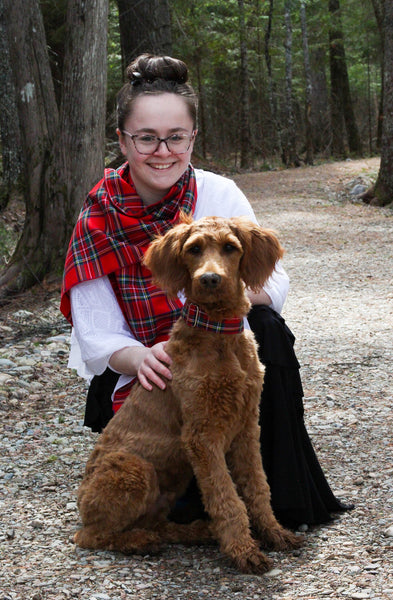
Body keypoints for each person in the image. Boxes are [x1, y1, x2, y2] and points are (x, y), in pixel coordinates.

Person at [60, 54, 352, 528]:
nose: (162, 151)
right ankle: (185, 494)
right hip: (149, 369)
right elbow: (94, 328)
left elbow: (271, 282)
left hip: (215, 349)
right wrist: (140, 357)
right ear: (122, 140)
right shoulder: (97, 218)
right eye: (146, 138)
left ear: (192, 137)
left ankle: (284, 499)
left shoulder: (220, 193)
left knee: (266, 328)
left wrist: (212, 309)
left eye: (176, 137)